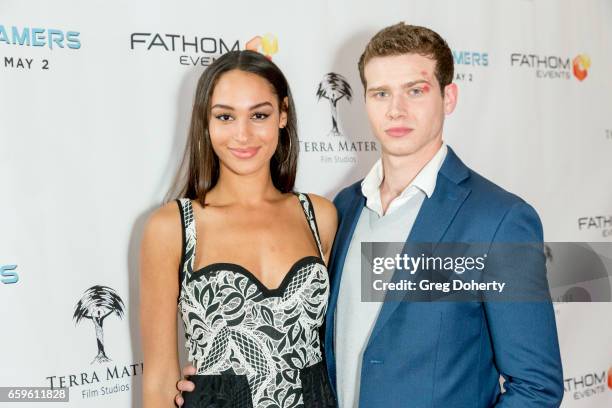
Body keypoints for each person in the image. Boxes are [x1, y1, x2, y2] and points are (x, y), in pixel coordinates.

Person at [177, 23, 564, 407]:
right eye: (381, 93)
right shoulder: (342, 209)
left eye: (415, 90)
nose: (396, 109)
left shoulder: (499, 221)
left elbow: (535, 388)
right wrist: (218, 378)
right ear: (364, 102)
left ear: (449, 97)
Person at [140, 50, 337, 407]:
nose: (242, 135)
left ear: (283, 115)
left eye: (259, 115)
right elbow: (158, 381)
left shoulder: (319, 215)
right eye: (225, 116)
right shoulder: (172, 227)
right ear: (206, 121)